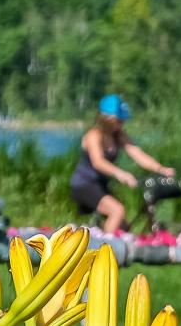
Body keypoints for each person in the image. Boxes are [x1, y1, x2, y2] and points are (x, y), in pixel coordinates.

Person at [70, 94, 175, 233]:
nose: (122, 123)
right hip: (84, 184)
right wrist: (121, 174)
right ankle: (103, 251)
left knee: (124, 228)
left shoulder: (118, 135)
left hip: (101, 185)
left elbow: (137, 154)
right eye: (119, 120)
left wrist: (161, 169)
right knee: (117, 211)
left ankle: (97, 237)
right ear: (107, 119)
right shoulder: (93, 135)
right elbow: (98, 162)